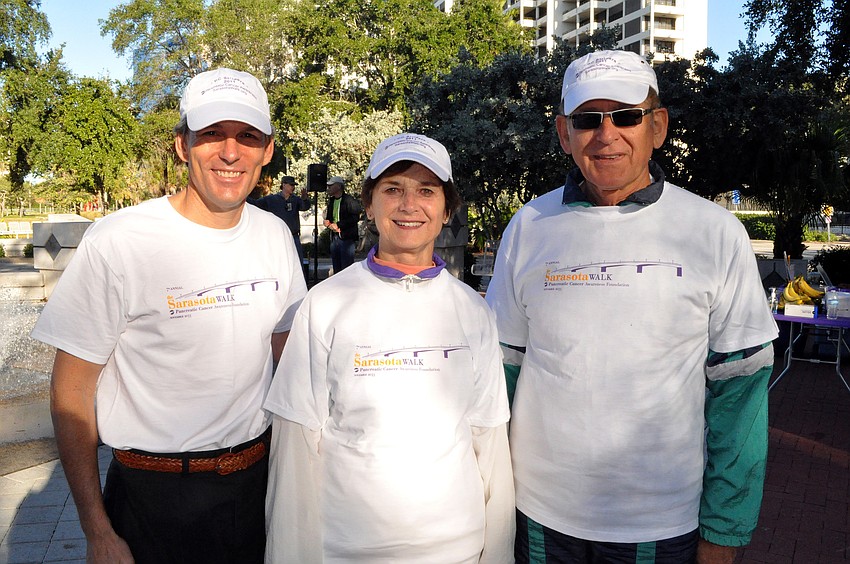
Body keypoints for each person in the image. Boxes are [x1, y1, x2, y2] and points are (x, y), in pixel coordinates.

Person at [485, 50, 779, 564]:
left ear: (657, 126)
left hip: (661, 524)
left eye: (625, 116)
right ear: (564, 133)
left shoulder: (714, 233)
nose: (606, 134)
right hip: (538, 515)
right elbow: (499, 377)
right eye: (586, 120)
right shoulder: (528, 227)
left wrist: (724, 533)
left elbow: (741, 395)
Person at [30, 68, 307, 564]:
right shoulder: (118, 241)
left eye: (247, 136)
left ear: (267, 151)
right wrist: (96, 531)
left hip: (254, 490)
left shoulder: (274, 235)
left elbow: (286, 359)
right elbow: (71, 394)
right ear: (182, 146)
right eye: (211, 135)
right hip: (148, 503)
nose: (230, 152)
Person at [264, 133, 515, 563]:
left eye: (426, 191)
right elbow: (296, 450)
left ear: (446, 207)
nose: (409, 204)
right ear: (370, 202)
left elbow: (489, 443)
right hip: (348, 549)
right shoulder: (325, 304)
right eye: (393, 189)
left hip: (458, 548)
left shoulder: (473, 311)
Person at [252, 175, 312, 266]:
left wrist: (304, 198)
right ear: (283, 185)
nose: (293, 187)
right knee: (278, 263)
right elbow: (255, 204)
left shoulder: (295, 199)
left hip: (293, 236)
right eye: (291, 185)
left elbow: (305, 207)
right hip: (278, 237)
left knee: (297, 264)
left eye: (294, 185)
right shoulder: (272, 199)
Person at [323, 175, 361, 273]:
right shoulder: (331, 201)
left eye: (331, 185)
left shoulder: (349, 200)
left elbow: (355, 217)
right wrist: (328, 222)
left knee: (347, 269)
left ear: (339, 186)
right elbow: (330, 217)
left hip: (346, 238)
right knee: (337, 268)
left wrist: (339, 225)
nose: (329, 188)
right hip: (334, 238)